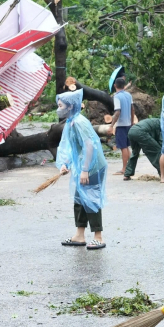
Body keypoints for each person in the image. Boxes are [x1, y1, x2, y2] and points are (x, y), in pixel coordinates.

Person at [56, 89, 108, 250]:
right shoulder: (71, 122)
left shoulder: (79, 122)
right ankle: (79, 235)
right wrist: (66, 163)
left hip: (92, 166)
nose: (58, 109)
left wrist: (85, 170)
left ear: (70, 106)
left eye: (60, 105)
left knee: (91, 199)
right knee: (79, 199)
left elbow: (89, 145)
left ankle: (98, 236)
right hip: (82, 165)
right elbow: (73, 147)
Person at [109, 77, 134, 176]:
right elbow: (132, 109)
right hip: (128, 123)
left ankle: (124, 169)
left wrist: (112, 125)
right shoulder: (128, 94)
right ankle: (130, 166)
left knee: (123, 147)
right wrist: (132, 121)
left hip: (121, 125)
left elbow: (118, 111)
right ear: (124, 86)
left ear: (115, 86)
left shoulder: (116, 96)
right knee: (127, 147)